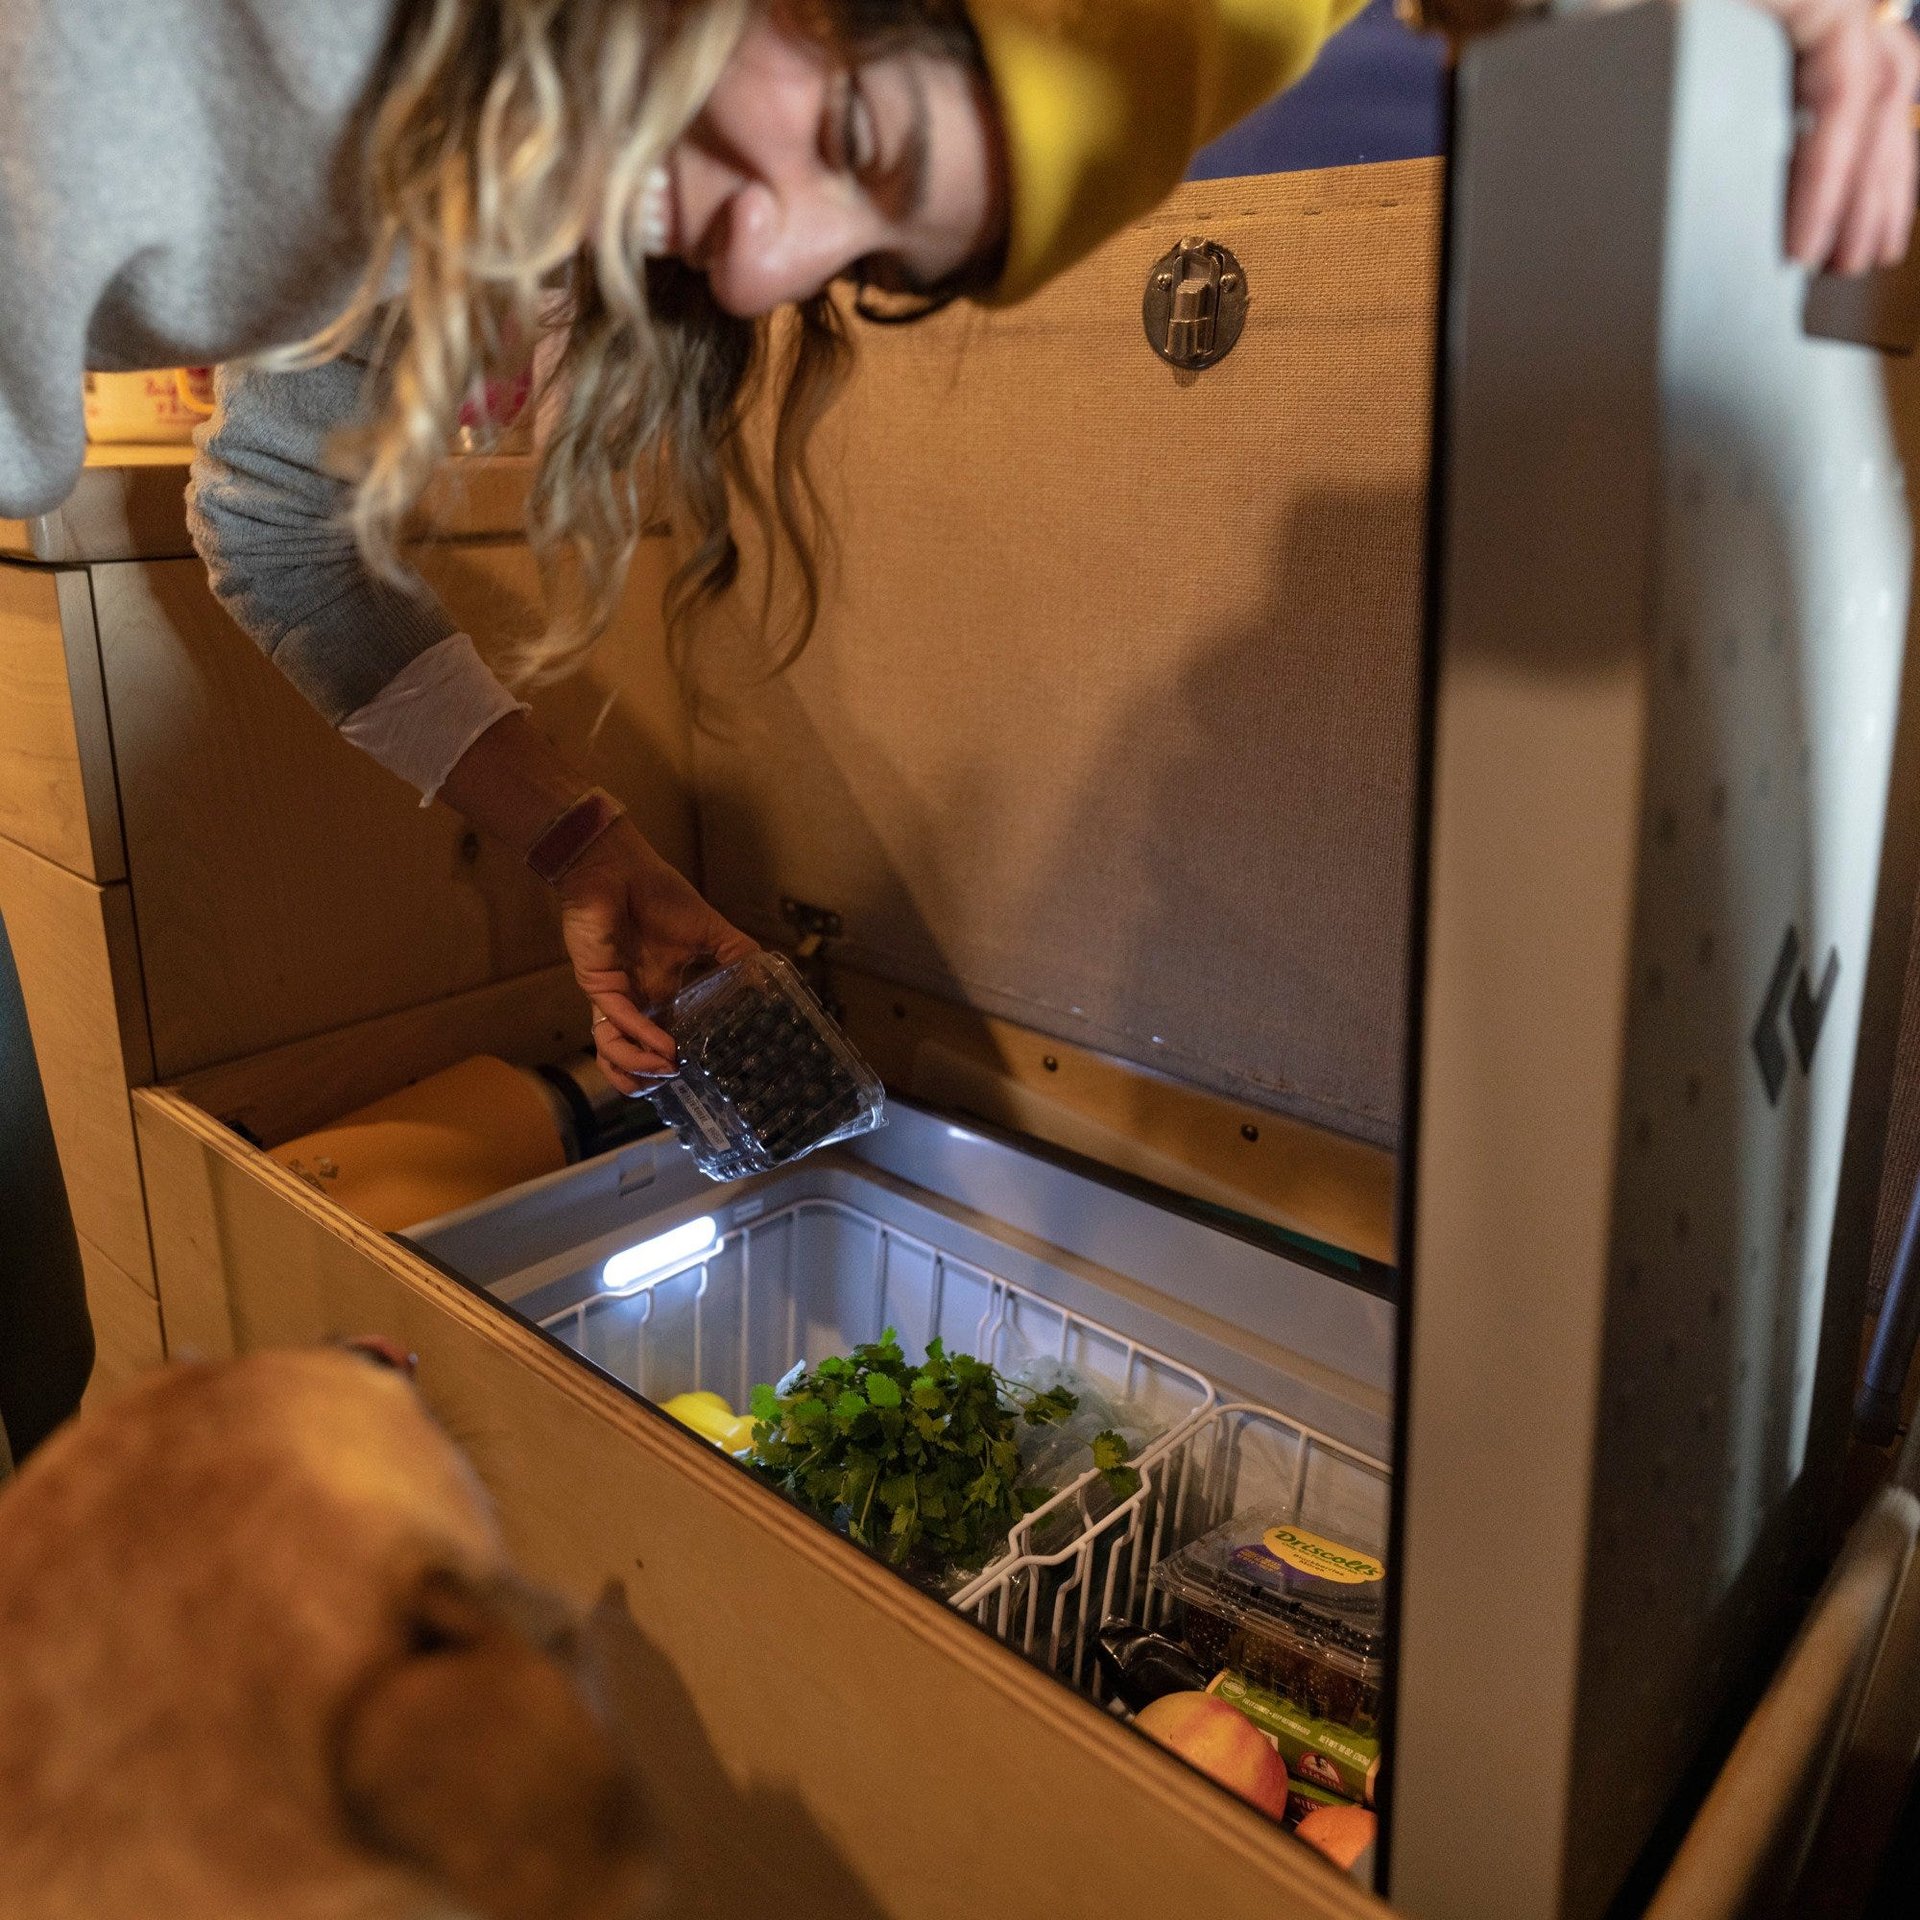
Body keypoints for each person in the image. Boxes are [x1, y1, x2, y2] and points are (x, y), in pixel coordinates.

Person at [0, 0, 1912, 1455]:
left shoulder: (546, 159)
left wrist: (582, 841)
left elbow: (274, 506)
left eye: (868, 261)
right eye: (853, 132)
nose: (764, 269)